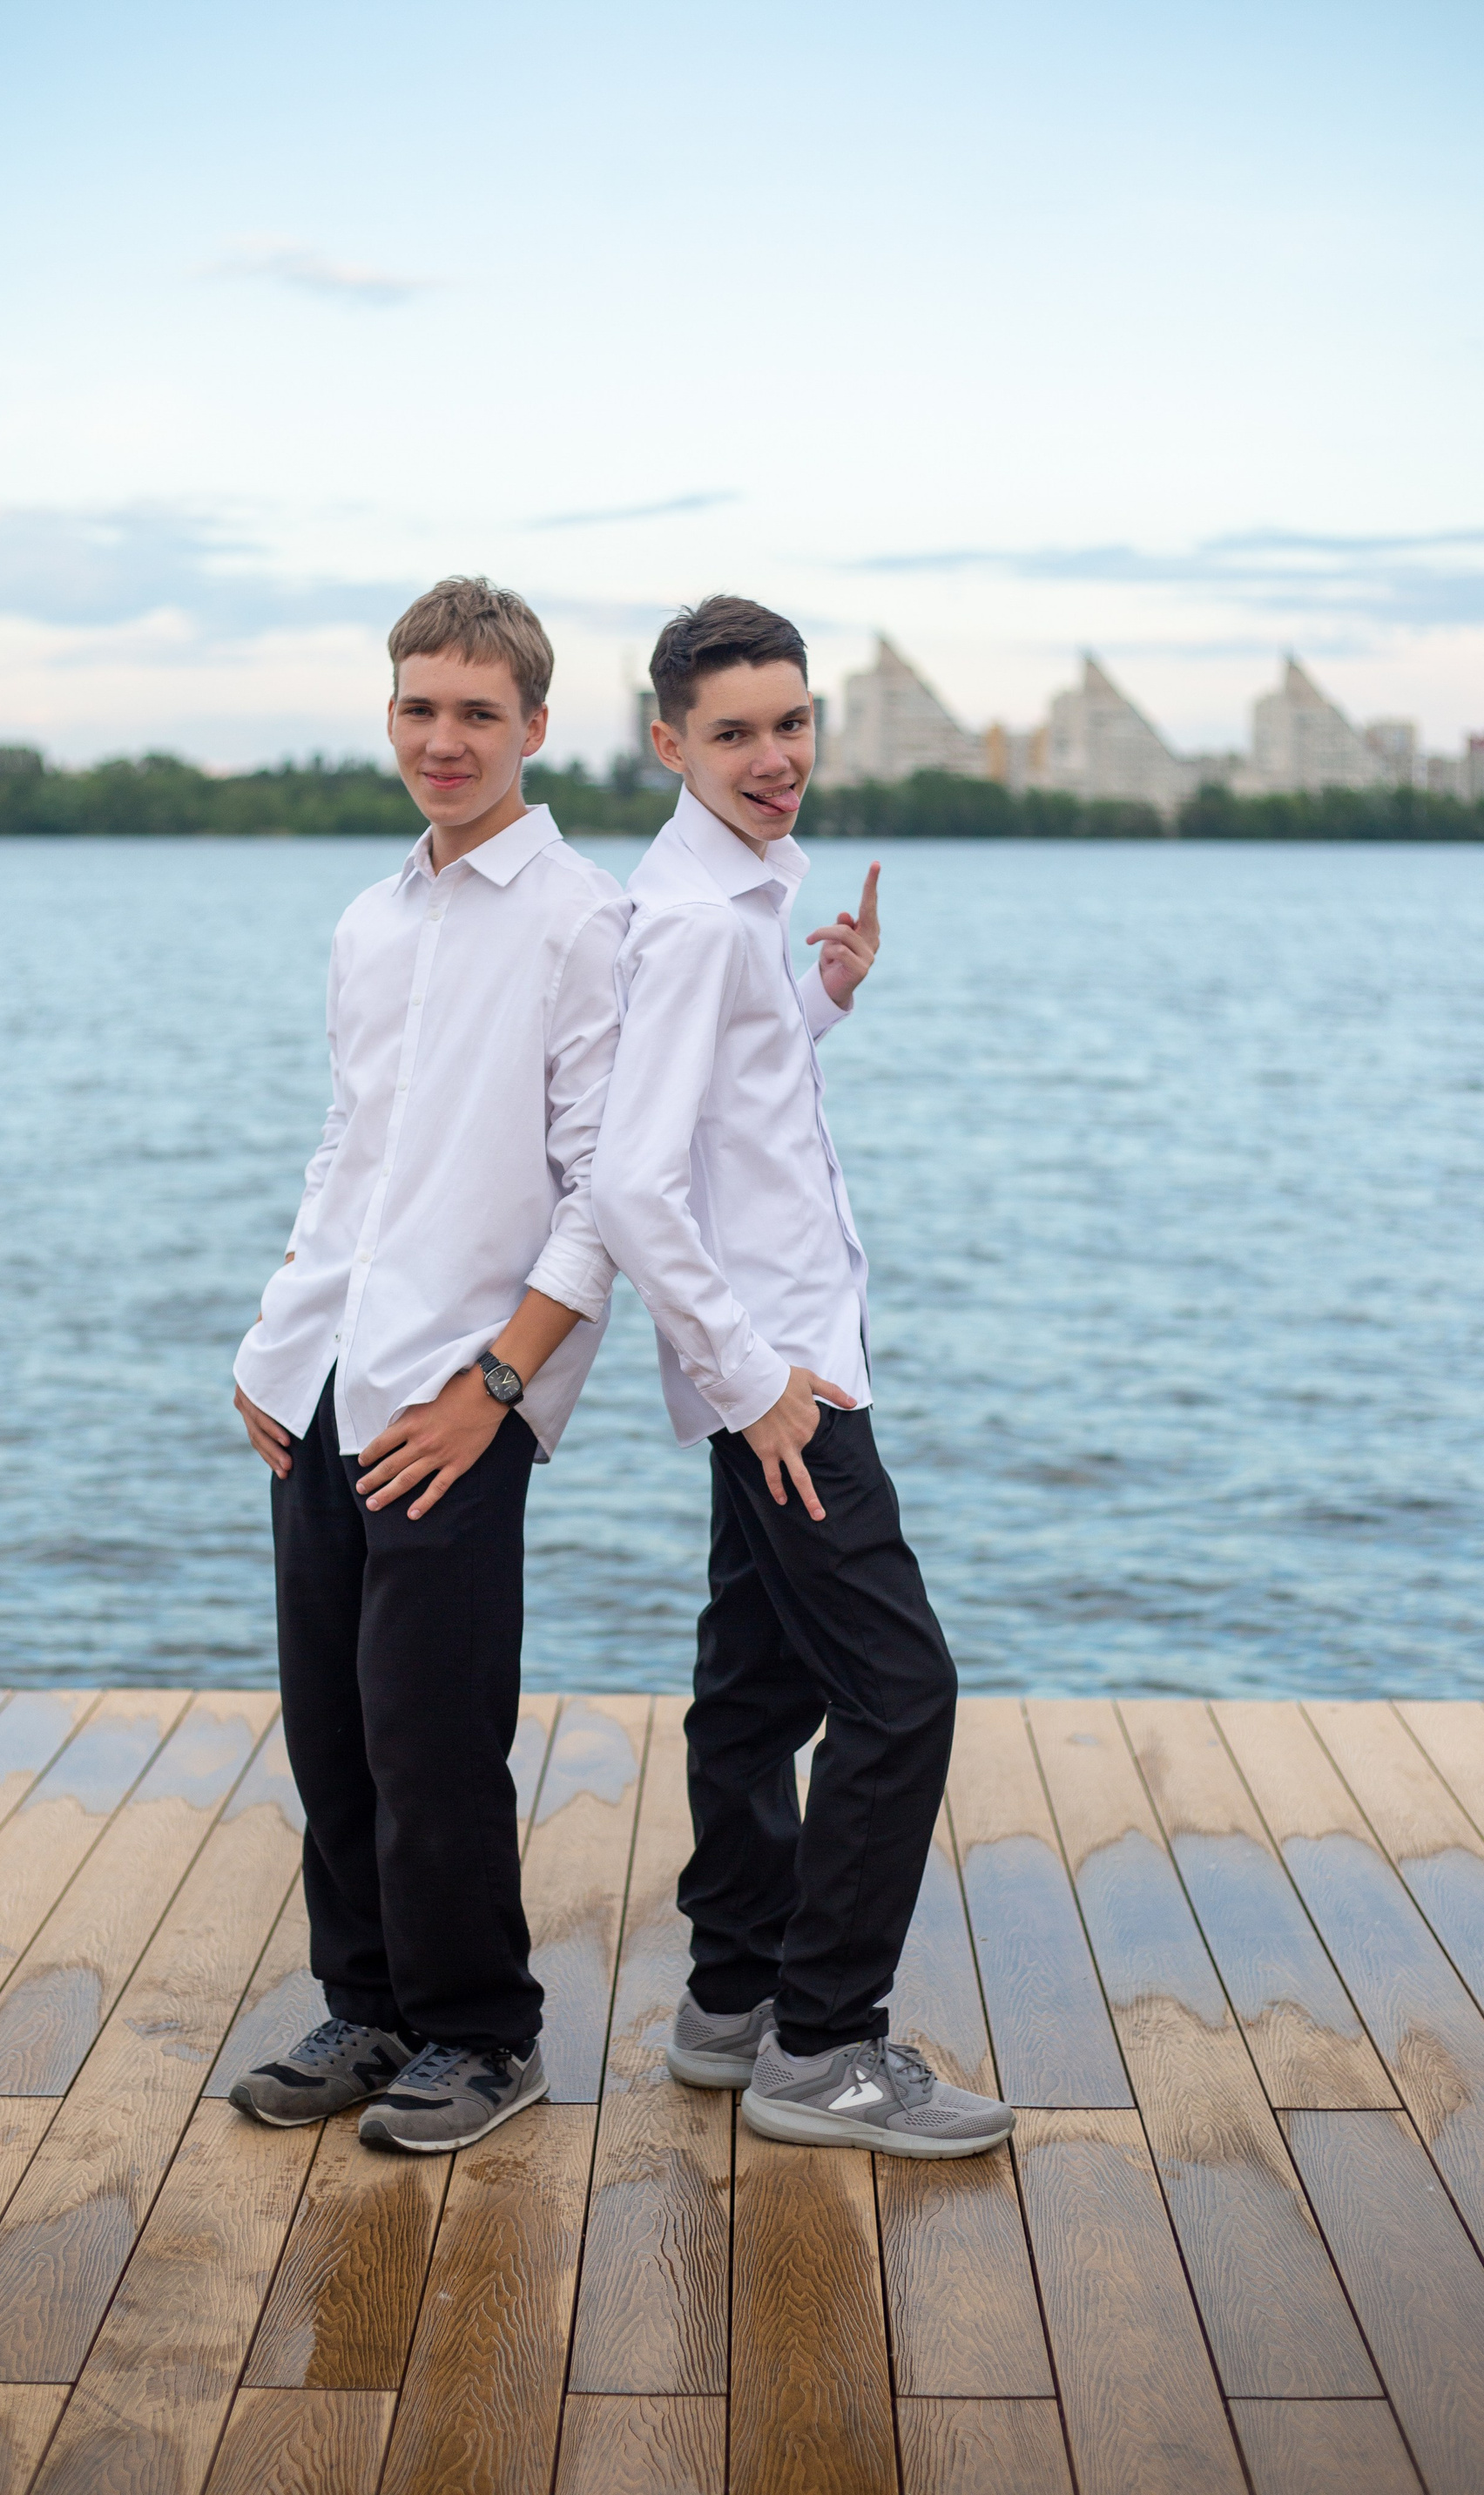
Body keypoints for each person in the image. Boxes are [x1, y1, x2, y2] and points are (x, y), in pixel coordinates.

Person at [590, 595, 1013, 2157]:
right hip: (788, 1389)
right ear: (670, 744)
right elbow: (633, 1185)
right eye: (735, 734)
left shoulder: (729, 899)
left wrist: (823, 995)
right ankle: (823, 2044)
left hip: (770, 1370)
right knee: (902, 1694)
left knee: (757, 1688)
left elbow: (730, 1105)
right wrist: (754, 1375)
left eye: (792, 723)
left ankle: (731, 2002)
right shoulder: (701, 921)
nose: (775, 758)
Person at [228, 578, 626, 2152]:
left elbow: (605, 1192)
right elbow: (353, 1144)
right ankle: (372, 2007)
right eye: (419, 708)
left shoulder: (584, 920)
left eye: (477, 712)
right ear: (389, 715)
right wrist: (279, 1328)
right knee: (331, 1723)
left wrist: (499, 1389)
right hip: (323, 1373)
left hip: (461, 1390)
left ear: (536, 726)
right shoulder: (368, 920)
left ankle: (481, 2033)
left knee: (430, 1731)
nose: (443, 739)